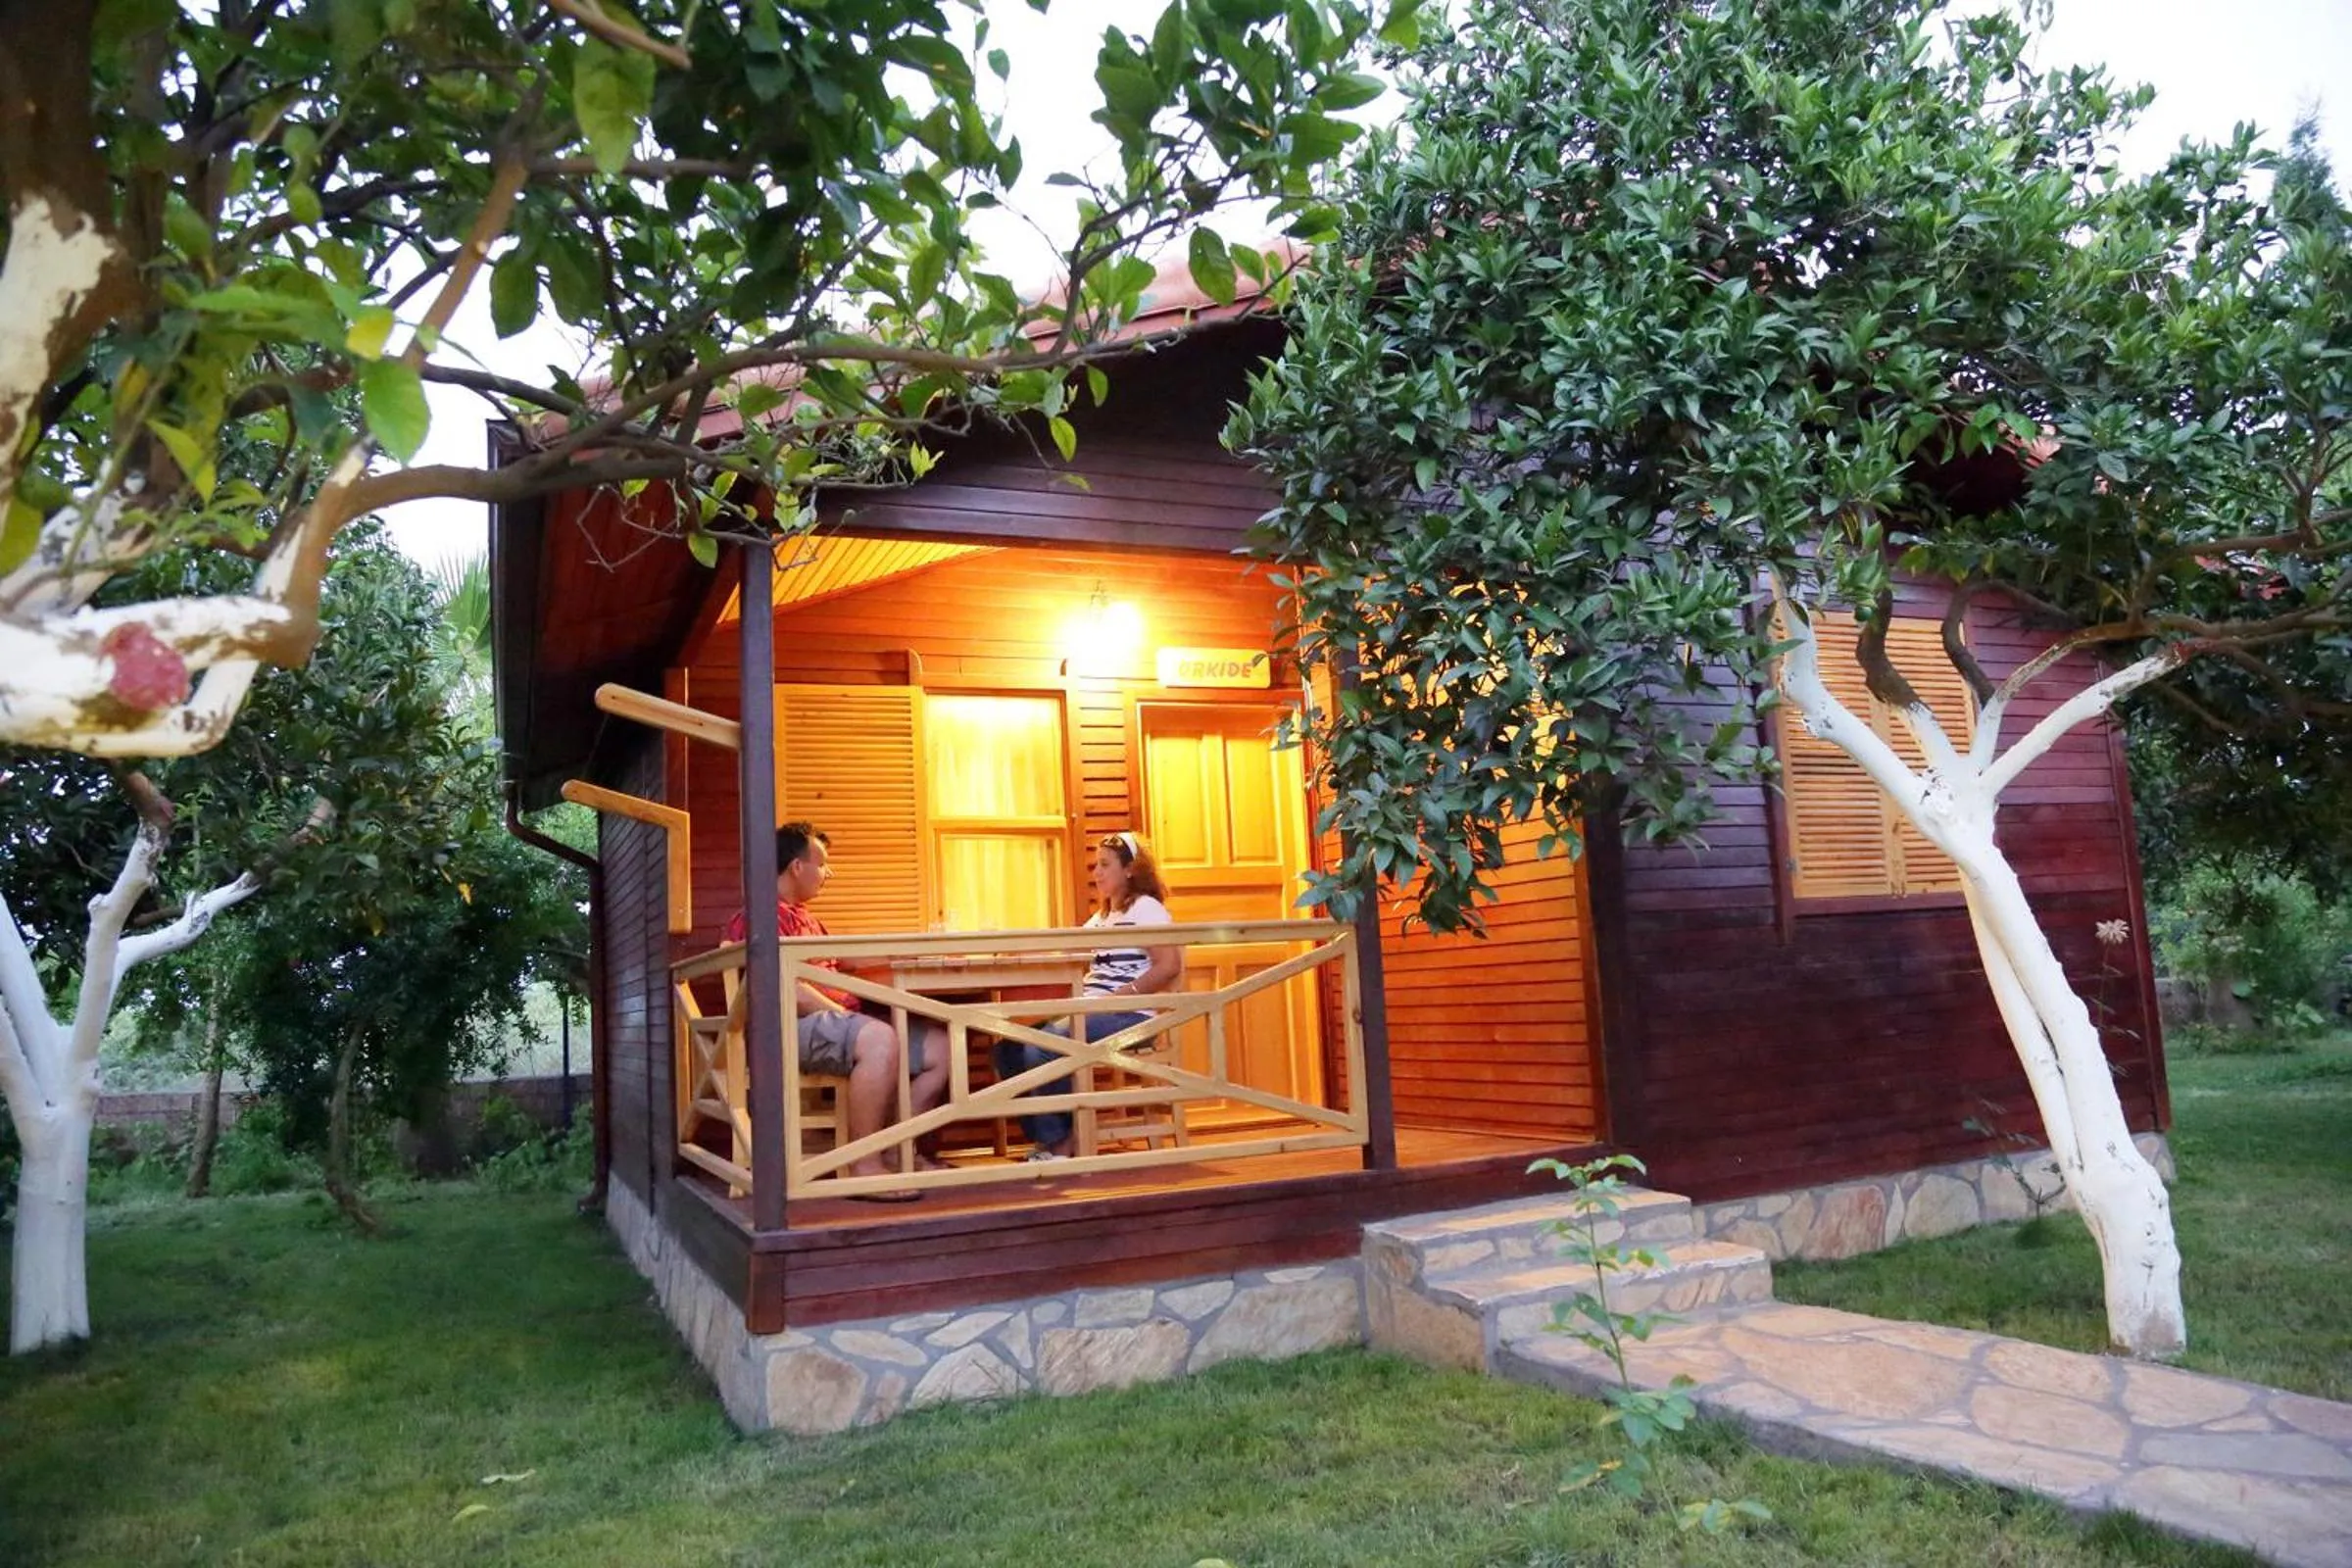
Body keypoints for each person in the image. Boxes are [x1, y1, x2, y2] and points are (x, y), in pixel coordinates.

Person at [724, 821, 949, 1200]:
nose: (830, 873)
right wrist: (842, 1014)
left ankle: (895, 1146)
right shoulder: (760, 918)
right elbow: (784, 989)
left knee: (940, 1047)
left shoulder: (807, 919)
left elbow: (843, 959)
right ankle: (864, 1165)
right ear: (797, 867)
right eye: (823, 864)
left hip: (830, 1024)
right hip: (788, 1028)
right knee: (878, 1039)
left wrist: (908, 951)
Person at [992, 830, 1184, 1161]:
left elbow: (1168, 965)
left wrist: (1122, 996)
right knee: (1008, 1049)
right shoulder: (1104, 916)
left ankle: (1061, 1144)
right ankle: (1051, 1137)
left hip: (1131, 1013)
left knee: (1045, 1045)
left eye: (1105, 865)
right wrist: (1018, 952)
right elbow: (1069, 948)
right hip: (1093, 1009)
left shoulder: (1145, 908)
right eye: (1096, 865)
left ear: (1130, 870)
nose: (1096, 873)